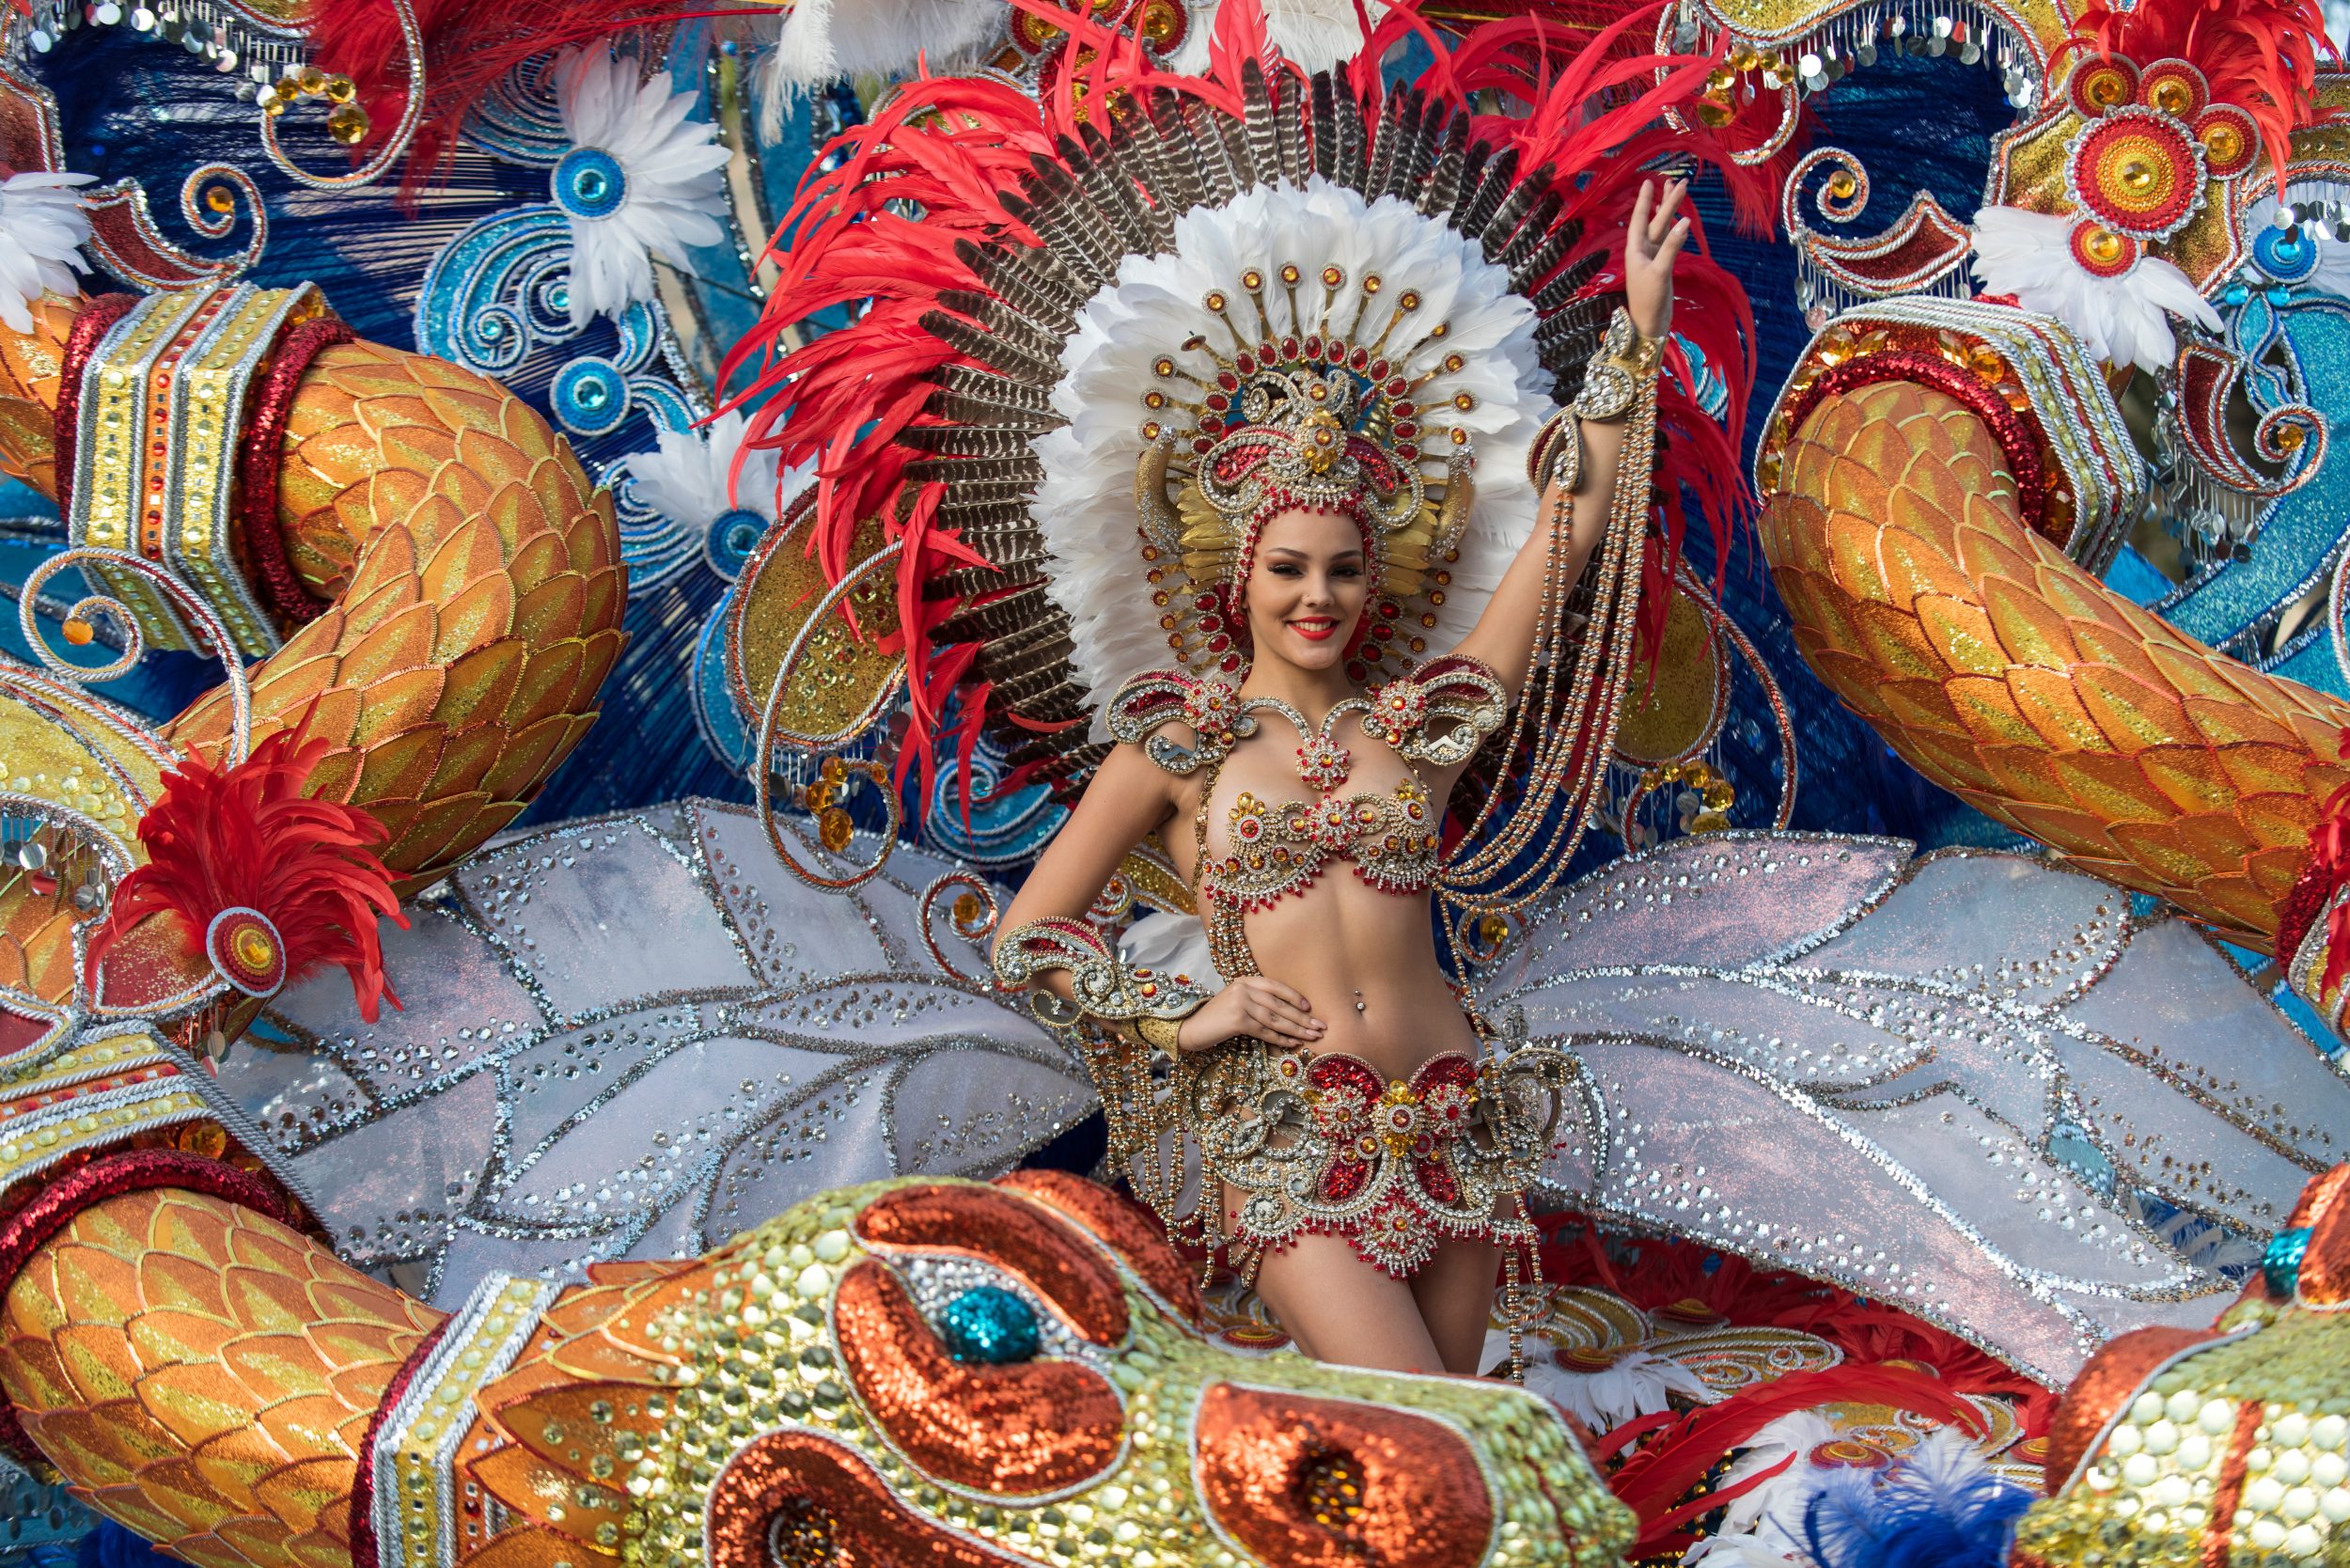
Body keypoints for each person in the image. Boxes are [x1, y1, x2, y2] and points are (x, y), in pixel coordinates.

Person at [991, 178, 1693, 1377]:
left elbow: (1558, 538)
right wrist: (1183, 1014)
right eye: (1287, 569)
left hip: (1454, 1119)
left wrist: (1638, 331)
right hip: (1283, 1134)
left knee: (1446, 1469)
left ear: (1380, 582)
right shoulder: (1177, 746)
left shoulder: (1424, 729)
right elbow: (1028, 939)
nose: (1316, 598)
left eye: (1343, 571)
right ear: (1237, 577)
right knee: (1421, 1418)